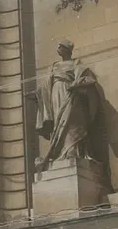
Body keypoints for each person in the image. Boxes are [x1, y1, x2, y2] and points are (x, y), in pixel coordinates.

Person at [36, 39, 102, 171]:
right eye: (58, 47)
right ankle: (61, 153)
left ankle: (73, 152)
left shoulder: (77, 64)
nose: (58, 48)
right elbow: (44, 86)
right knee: (59, 124)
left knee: (72, 124)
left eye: (61, 46)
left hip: (71, 95)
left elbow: (90, 79)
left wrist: (77, 83)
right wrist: (36, 94)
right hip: (56, 94)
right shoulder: (54, 66)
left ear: (68, 50)